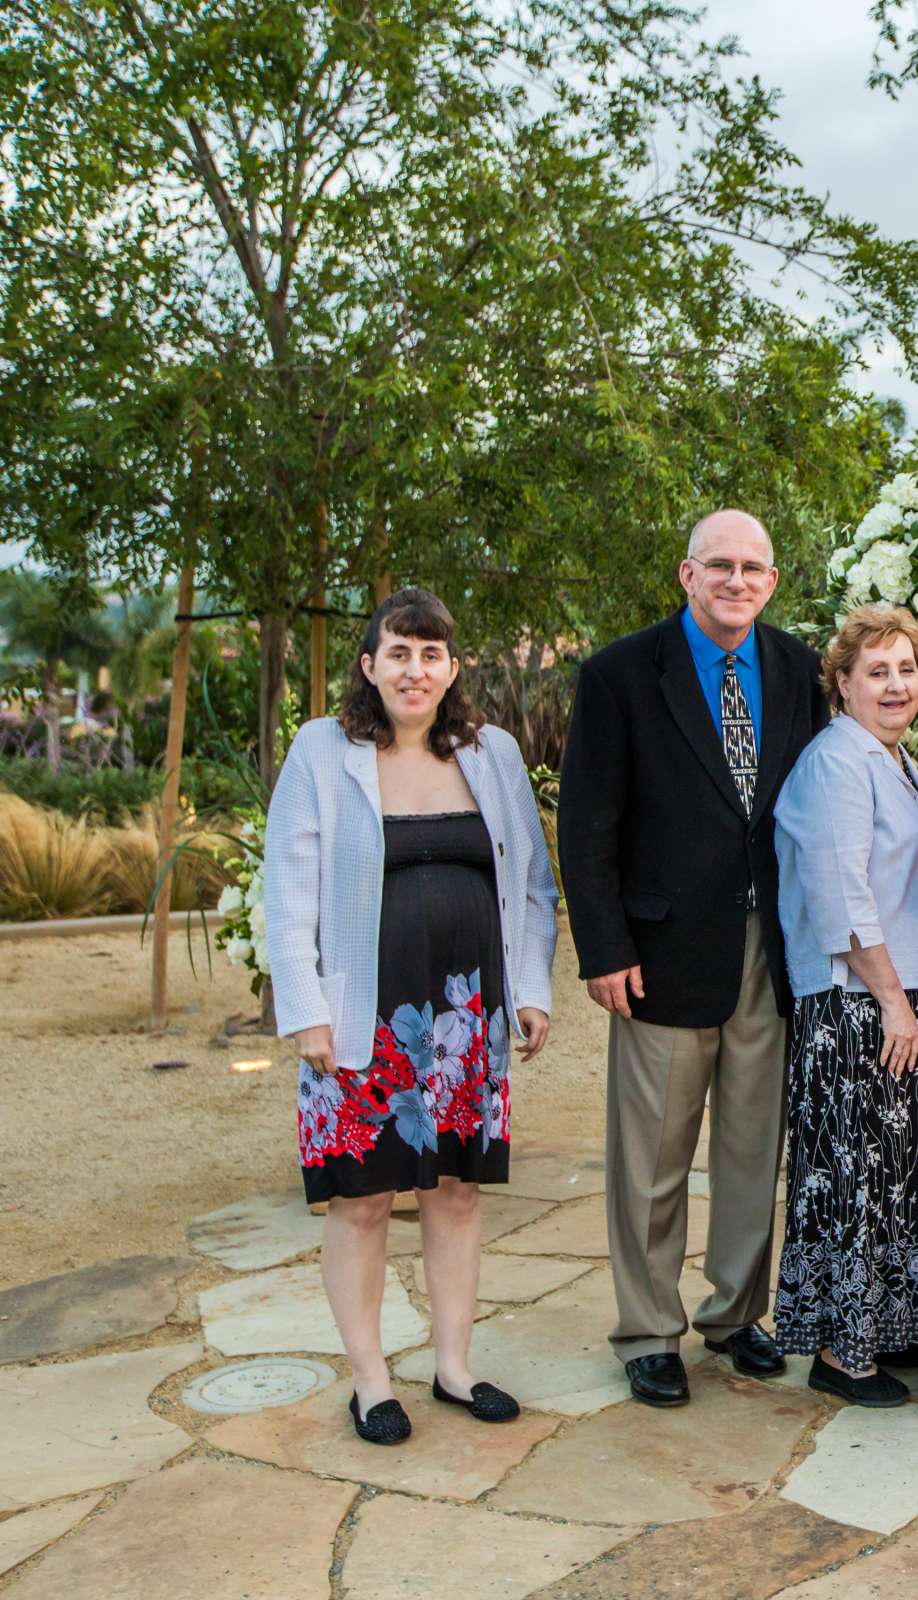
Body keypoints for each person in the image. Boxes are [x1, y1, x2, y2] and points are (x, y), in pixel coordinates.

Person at [265, 588, 557, 1444]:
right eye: (398, 653)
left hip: (467, 1021)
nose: (415, 670)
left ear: (453, 668)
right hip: (359, 1022)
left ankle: (455, 1368)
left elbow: (531, 885)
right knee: (361, 1200)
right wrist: (306, 1012)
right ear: (370, 665)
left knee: (459, 1194)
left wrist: (528, 991)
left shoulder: (491, 753)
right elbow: (288, 894)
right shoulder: (324, 751)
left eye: (431, 655)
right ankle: (369, 1381)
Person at [556, 509, 830, 1408]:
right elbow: (586, 823)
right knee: (653, 1158)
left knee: (755, 1149)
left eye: (754, 568)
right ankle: (647, 1331)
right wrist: (603, 945)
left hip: (773, 948)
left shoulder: (797, 669)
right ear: (686, 574)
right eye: (720, 566)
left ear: (773, 581)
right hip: (661, 951)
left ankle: (735, 1316)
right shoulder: (620, 676)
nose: (737, 581)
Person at [770, 605, 918, 1407]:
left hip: (903, 993)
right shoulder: (836, 762)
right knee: (856, 1175)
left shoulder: (895, 758)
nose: (894, 684)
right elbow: (839, 891)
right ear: (841, 683)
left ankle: (887, 1326)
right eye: (876, 671)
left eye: (906, 670)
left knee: (902, 1174)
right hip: (859, 1002)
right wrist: (890, 1001)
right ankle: (843, 1351)